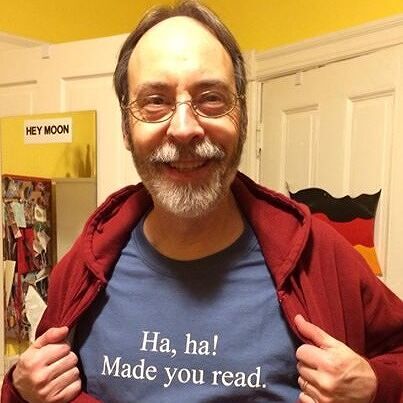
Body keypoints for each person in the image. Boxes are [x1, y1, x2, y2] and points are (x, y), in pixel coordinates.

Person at [2, 1, 403, 402]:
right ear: (126, 127)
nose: (184, 129)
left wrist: (375, 384)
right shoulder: (84, 265)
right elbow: (38, 384)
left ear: (242, 117)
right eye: (155, 101)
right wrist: (20, 389)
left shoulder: (317, 255)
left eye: (211, 98)